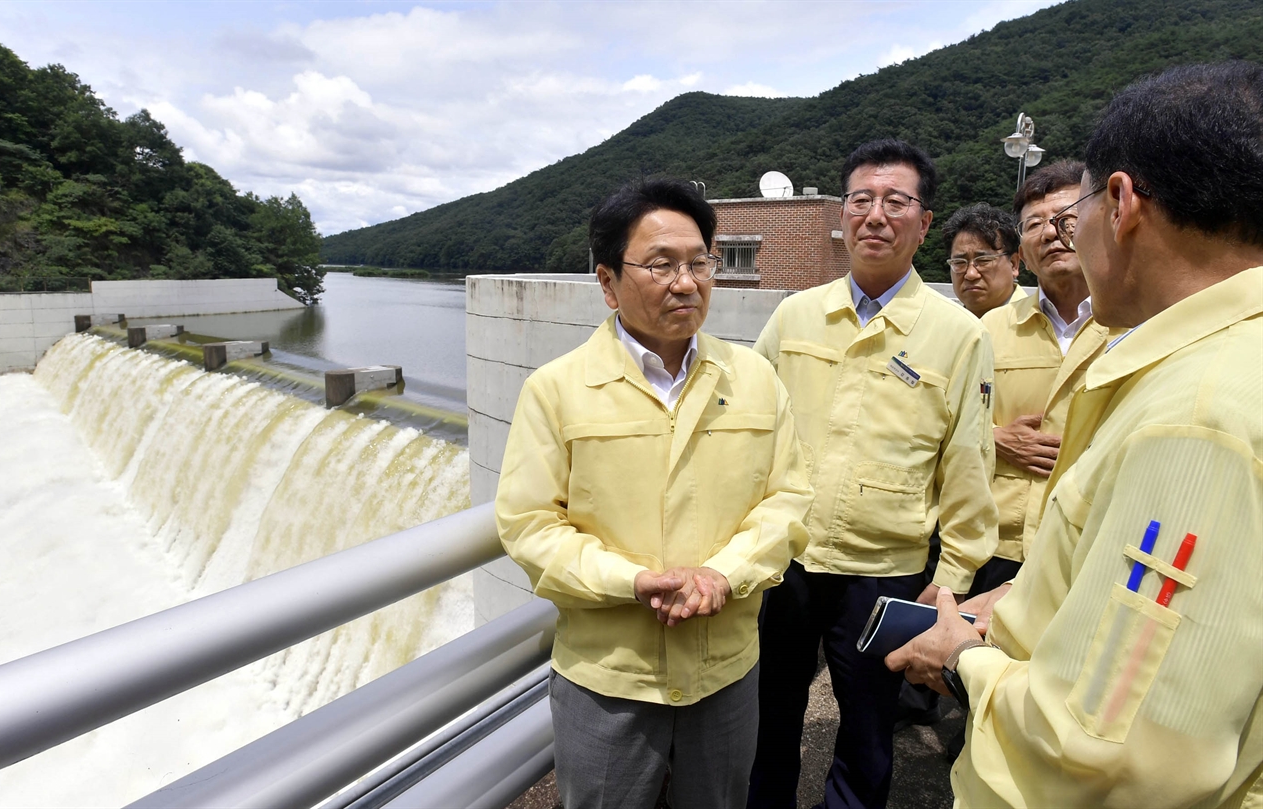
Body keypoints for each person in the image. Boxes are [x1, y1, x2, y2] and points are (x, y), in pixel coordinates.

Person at [887, 61, 1263, 808]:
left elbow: (1114, 752)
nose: (1069, 232)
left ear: (1120, 202)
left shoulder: (1199, 416)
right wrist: (1031, 600)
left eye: (1077, 207)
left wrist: (965, 658)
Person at [495, 177, 814, 809]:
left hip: (725, 669)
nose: (687, 282)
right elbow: (531, 525)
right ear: (608, 282)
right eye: (661, 265)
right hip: (608, 676)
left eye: (700, 263)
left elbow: (786, 502)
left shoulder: (755, 378)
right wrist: (633, 582)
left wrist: (723, 574)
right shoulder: (556, 390)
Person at [748, 139, 998, 809]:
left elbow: (970, 465)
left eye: (896, 201)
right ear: (843, 214)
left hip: (886, 571)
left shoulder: (957, 333)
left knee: (866, 732)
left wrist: (950, 580)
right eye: (861, 199)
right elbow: (746, 426)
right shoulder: (795, 314)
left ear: (923, 221)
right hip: (788, 559)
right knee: (766, 721)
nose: (875, 214)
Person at [972, 160, 1126, 597]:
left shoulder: (1137, 325)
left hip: (1091, 541)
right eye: (1033, 224)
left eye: (1065, 218)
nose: (1049, 232)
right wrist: (997, 437)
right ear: (1022, 251)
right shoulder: (987, 330)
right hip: (995, 545)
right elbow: (938, 423)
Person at [945, 203, 1026, 317]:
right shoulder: (941, 326)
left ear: (1013, 264)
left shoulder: (1044, 324)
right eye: (959, 262)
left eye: (984, 260)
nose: (971, 274)